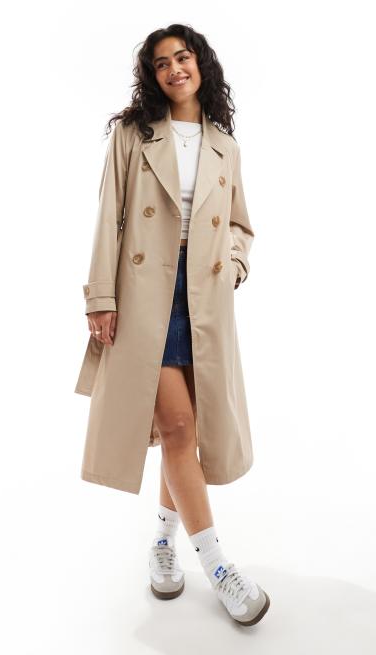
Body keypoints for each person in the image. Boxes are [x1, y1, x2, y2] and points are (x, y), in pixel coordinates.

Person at [79, 24, 270, 626]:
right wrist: (101, 296)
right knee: (179, 424)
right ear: (152, 75)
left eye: (182, 57)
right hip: (144, 291)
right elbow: (108, 215)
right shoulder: (132, 134)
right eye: (161, 63)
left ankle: (163, 541)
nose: (173, 70)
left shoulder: (224, 145)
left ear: (200, 64)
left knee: (184, 431)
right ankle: (217, 565)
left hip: (204, 295)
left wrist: (234, 265)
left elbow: (239, 224)